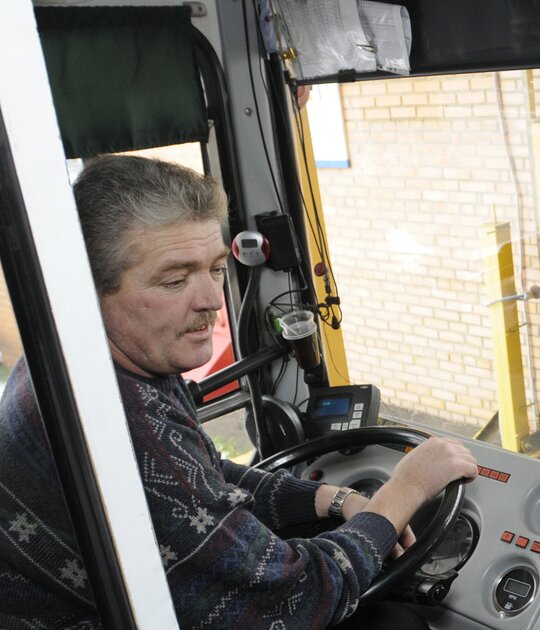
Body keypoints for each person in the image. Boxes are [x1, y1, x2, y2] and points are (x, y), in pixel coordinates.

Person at [0, 155, 479, 628]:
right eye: (174, 279)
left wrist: (329, 500)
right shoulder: (118, 424)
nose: (212, 301)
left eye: (213, 268)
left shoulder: (73, 363)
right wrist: (405, 489)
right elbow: (296, 601)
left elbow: (201, 475)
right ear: (85, 290)